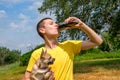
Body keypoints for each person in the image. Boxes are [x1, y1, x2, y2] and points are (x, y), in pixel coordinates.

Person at [24, 17, 103, 80]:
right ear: (42, 30)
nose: (56, 25)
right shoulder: (37, 53)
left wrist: (81, 25)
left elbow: (97, 41)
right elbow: (26, 77)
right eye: (51, 24)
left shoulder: (69, 46)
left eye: (55, 23)